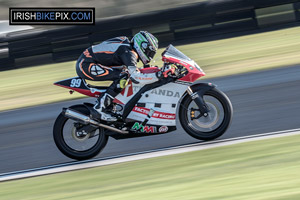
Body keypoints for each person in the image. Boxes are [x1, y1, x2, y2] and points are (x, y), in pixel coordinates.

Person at [76, 31, 159, 121]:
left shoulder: (126, 46)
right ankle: (99, 108)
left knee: (124, 73)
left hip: (88, 61)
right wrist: (157, 75)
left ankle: (110, 106)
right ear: (142, 46)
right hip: (86, 64)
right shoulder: (128, 52)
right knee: (123, 76)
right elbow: (136, 76)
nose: (150, 57)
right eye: (149, 52)